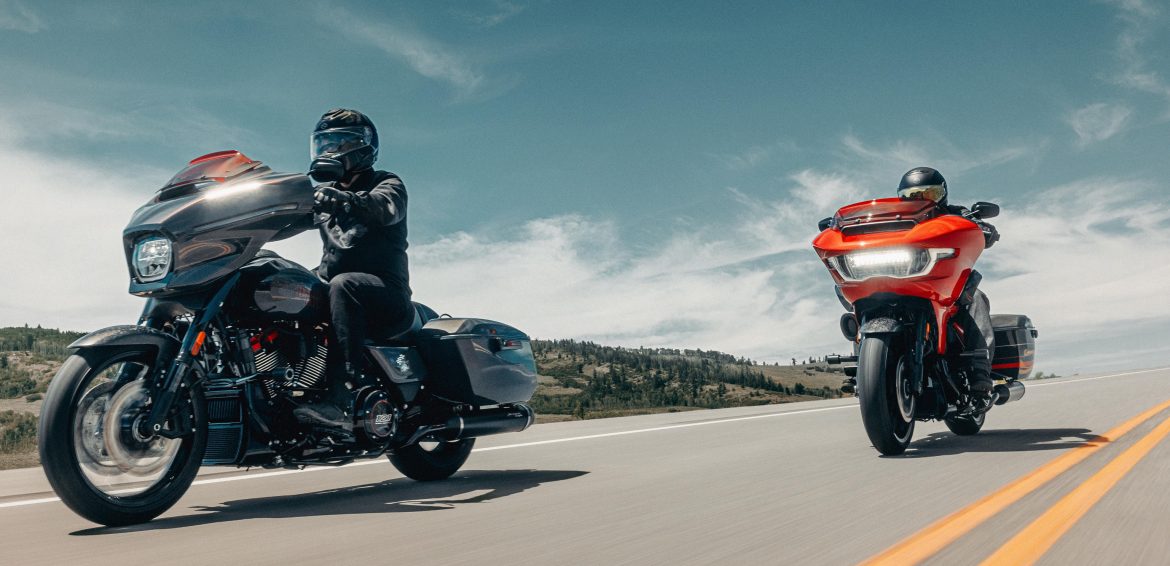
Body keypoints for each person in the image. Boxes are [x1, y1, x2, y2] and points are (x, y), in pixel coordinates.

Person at [294, 108, 416, 430]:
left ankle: (341, 398)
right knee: (280, 279)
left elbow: (385, 207)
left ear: (363, 146)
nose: (329, 150)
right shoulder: (324, 196)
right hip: (338, 290)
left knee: (343, 284)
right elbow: (287, 219)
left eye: (339, 143)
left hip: (386, 295)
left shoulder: (386, 182)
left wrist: (346, 200)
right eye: (324, 144)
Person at [897, 166, 999, 395]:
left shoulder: (954, 214)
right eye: (912, 195)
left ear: (942, 194)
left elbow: (973, 224)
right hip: (904, 284)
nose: (921, 200)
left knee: (976, 299)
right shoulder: (895, 222)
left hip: (947, 286)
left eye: (929, 193)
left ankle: (980, 372)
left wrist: (983, 228)